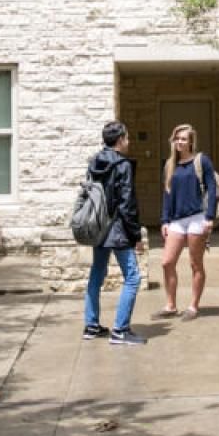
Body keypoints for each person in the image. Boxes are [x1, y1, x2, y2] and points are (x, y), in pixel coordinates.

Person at [83, 120, 145, 345]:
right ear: (120, 140)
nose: (128, 142)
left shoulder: (94, 162)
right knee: (133, 277)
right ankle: (120, 330)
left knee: (96, 275)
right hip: (117, 229)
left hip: (98, 227)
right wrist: (136, 235)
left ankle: (91, 326)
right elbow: (127, 203)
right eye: (127, 138)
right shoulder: (122, 165)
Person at [156, 123, 218, 321]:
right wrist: (164, 220)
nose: (179, 142)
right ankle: (171, 305)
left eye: (183, 139)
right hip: (176, 220)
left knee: (195, 263)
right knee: (167, 262)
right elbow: (167, 194)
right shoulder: (169, 164)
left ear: (191, 142)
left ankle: (193, 306)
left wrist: (210, 217)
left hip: (197, 217)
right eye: (177, 139)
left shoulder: (202, 161)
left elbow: (212, 189)